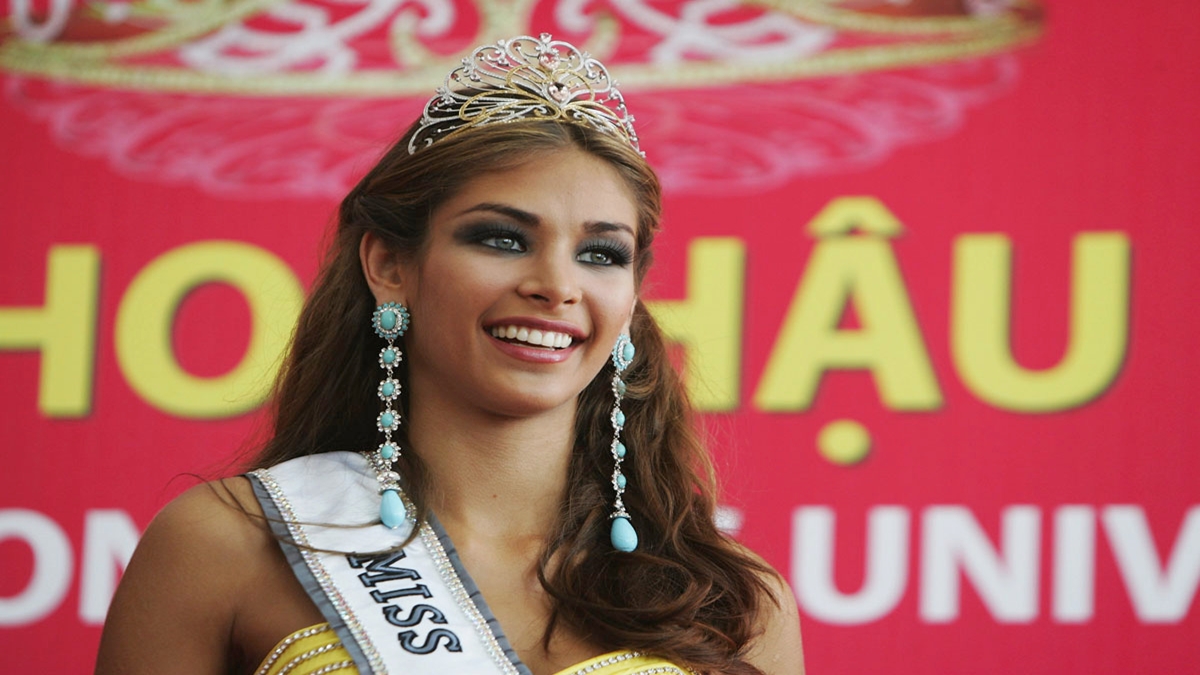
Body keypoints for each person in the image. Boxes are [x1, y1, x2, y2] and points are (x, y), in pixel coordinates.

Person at [95, 34, 804, 675]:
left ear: (630, 296)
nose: (556, 285)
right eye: (500, 238)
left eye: (600, 253)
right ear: (389, 264)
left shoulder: (732, 599)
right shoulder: (225, 545)